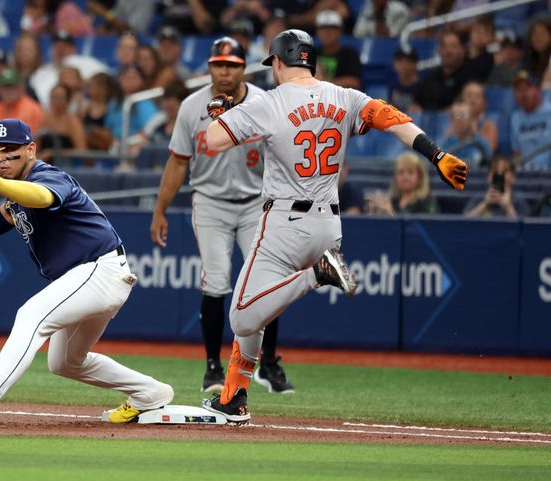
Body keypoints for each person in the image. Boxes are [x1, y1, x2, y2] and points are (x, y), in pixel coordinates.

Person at [201, 29, 467, 423]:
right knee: (257, 307)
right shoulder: (345, 96)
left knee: (241, 315)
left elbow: (212, 141)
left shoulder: (270, 102)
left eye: (272, 63)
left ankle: (317, 276)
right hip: (329, 223)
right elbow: (393, 120)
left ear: (278, 61)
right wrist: (436, 153)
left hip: (283, 224)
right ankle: (235, 396)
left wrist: (221, 116)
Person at [0, 118, 175, 425]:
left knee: (31, 315)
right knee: (66, 363)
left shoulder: (48, 176)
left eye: (10, 149)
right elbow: (9, 211)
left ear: (31, 149)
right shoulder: (17, 190)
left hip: (98, 269)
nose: (0, 157)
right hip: (93, 277)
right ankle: (151, 393)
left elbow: (43, 197)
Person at [150, 37, 295, 395]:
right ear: (210, 67)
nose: (224, 70)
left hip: (255, 202)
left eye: (231, 64)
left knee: (265, 283)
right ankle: (213, 366)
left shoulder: (265, 102)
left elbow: (283, 154)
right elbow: (178, 161)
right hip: (210, 201)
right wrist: (160, 210)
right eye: (218, 64)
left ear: (244, 67)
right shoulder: (191, 106)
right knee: (216, 282)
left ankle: (269, 363)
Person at [0, 69, 45, 144]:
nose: (8, 91)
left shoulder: (33, 109)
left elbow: (36, 139)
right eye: (5, 88)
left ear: (20, 88)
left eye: (12, 87)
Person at [414, 29, 474, 111]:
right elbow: (416, 101)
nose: (448, 51)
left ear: (462, 50)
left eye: (453, 46)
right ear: (439, 50)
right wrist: (415, 107)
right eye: (444, 46)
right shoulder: (432, 75)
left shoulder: (470, 77)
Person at [366, 152, 439, 215]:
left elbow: (425, 229)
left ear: (420, 177)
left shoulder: (426, 201)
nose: (405, 176)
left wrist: (390, 215)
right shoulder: (392, 200)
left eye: (410, 172)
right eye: (401, 172)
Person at [464, 155, 529, 218]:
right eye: (495, 171)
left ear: (513, 177)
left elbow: (523, 227)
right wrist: (485, 204)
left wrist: (508, 207)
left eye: (505, 171)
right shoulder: (479, 198)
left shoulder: (519, 201)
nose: (499, 174)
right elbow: (463, 223)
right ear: (488, 176)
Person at [510, 70, 551, 169]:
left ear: (538, 90)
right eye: (518, 89)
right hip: (525, 174)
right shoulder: (515, 118)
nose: (523, 93)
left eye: (527, 88)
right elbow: (517, 152)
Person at [36, 84, 87, 162]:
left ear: (68, 100)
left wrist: (54, 153)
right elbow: (37, 145)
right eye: (53, 97)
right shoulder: (45, 118)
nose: (56, 101)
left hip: (66, 166)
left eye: (60, 98)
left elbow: (81, 150)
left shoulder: (73, 121)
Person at [314, 10, 362, 89]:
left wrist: (324, 81)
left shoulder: (350, 54)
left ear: (340, 31)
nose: (327, 33)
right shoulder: (312, 53)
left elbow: (354, 82)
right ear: (317, 32)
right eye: (323, 28)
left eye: (332, 28)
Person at [439, 101, 492, 168]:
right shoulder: (444, 144)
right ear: (451, 120)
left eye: (464, 116)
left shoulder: (481, 144)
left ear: (471, 119)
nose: (461, 120)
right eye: (457, 116)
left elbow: (488, 164)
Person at [459, 81, 498, 154]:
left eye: (477, 96)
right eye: (469, 95)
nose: (473, 100)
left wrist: (474, 131)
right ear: (462, 100)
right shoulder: (454, 122)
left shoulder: (489, 125)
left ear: (484, 102)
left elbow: (488, 153)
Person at [388, 48, 419, 112]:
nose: (404, 65)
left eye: (409, 61)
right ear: (394, 63)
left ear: (415, 64)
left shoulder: (424, 86)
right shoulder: (393, 84)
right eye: (400, 60)